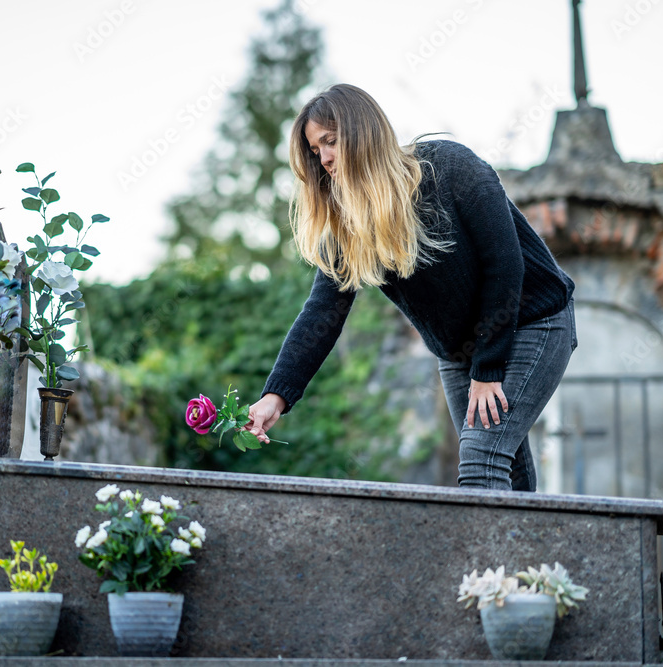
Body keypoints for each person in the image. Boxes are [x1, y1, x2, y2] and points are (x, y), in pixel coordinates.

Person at [246, 84, 577, 492]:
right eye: (316, 151)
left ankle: (481, 560)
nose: (325, 158)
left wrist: (488, 368)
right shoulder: (348, 223)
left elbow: (505, 264)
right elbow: (322, 311)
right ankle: (531, 558)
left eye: (331, 141)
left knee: (480, 462)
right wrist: (275, 396)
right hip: (459, 351)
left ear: (363, 132)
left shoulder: (450, 168)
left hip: (535, 320)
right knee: (506, 473)